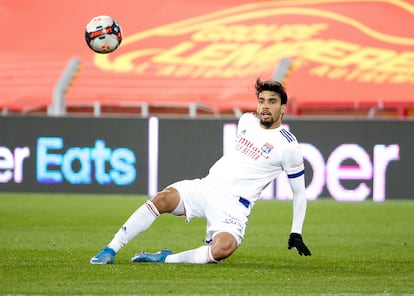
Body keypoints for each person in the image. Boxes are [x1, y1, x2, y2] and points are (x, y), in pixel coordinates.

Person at [90, 78, 311, 265]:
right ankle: (111, 248)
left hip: (234, 205)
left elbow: (299, 193)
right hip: (208, 186)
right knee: (163, 198)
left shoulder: (289, 147)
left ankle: (166, 259)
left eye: (272, 102)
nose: (265, 106)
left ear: (283, 108)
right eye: (261, 101)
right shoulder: (246, 121)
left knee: (223, 249)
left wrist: (296, 232)